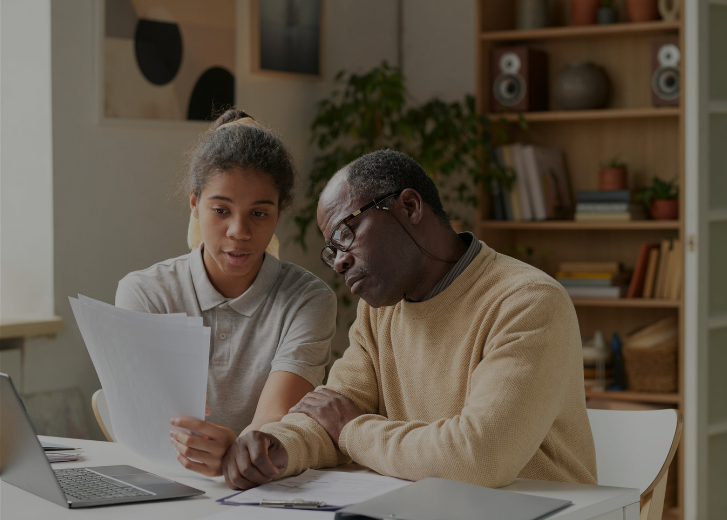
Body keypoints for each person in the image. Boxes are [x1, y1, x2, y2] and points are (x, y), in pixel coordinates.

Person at [219, 149, 597, 490]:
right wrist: (276, 447)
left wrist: (353, 429)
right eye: (331, 250)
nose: (339, 261)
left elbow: (480, 457)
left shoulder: (527, 301)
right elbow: (330, 411)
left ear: (410, 207)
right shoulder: (377, 314)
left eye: (346, 233)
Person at [115, 110, 336, 478]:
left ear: (280, 212)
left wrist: (237, 451)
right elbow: (151, 424)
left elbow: (273, 420)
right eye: (220, 210)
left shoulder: (308, 300)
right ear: (194, 205)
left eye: (259, 214)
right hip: (162, 485)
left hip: (261, 491)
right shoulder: (145, 295)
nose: (239, 231)